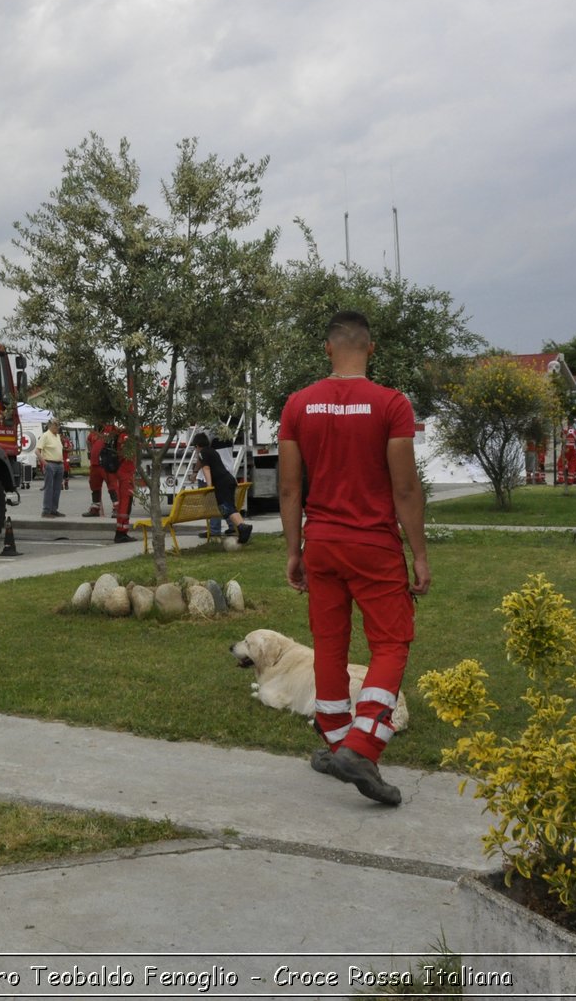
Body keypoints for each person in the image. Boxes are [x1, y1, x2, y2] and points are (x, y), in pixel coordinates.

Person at [278, 310, 430, 806]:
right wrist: (420, 555)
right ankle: (361, 748)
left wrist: (293, 551)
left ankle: (335, 745)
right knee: (391, 644)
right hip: (374, 545)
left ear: (327, 349)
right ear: (372, 347)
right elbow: (405, 488)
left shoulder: (298, 405)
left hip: (321, 543)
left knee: (330, 644)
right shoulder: (391, 404)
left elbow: (288, 487)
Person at [192, 433, 253, 544]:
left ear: (197, 446)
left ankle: (242, 527)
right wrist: (195, 472)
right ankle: (242, 527)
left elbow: (206, 468)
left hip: (221, 484)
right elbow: (204, 464)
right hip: (229, 480)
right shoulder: (212, 451)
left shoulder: (202, 453)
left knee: (225, 507)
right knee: (229, 506)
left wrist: (209, 486)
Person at [111, 428, 137, 544]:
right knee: (125, 504)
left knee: (126, 504)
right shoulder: (126, 436)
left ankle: (122, 531)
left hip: (127, 472)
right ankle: (121, 532)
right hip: (125, 473)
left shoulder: (123, 435)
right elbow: (128, 451)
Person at [35, 417, 64, 518]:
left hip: (59, 464)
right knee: (49, 488)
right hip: (50, 463)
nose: (57, 427)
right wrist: (45, 463)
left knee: (57, 489)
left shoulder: (58, 436)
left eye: (58, 425)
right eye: (55, 425)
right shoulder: (45, 435)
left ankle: (54, 510)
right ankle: (46, 511)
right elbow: (37, 451)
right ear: (50, 425)